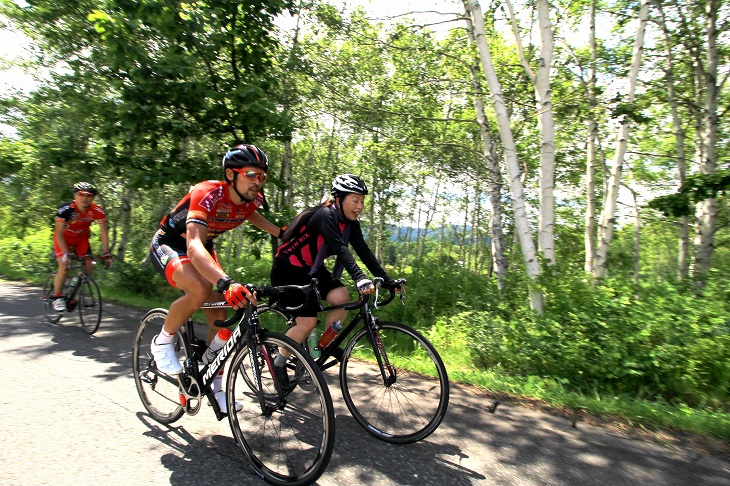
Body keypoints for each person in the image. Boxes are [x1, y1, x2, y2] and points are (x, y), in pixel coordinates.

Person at [148, 144, 283, 413]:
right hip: (173, 243)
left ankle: (214, 382)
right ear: (232, 175)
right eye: (251, 174)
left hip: (203, 248)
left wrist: (281, 232)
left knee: (223, 318)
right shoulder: (207, 192)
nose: (258, 181)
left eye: (262, 176)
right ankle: (162, 340)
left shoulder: (252, 199)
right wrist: (225, 282)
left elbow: (250, 214)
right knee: (199, 289)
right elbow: (194, 245)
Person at [270, 174, 401, 386]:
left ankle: (324, 345)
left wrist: (387, 281)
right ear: (339, 200)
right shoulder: (325, 215)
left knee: (342, 297)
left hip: (311, 269)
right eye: (355, 200)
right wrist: (359, 277)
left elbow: (364, 252)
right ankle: (279, 363)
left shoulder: (351, 224)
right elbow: (340, 248)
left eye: (362, 201)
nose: (360, 206)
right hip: (288, 268)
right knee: (307, 322)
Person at [52, 182, 111, 312]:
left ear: (93, 198)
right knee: (64, 266)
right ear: (75, 195)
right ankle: (57, 297)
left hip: (81, 240)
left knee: (88, 268)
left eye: (89, 195)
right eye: (81, 194)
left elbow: (103, 232)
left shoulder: (97, 211)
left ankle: (72, 287)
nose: (84, 198)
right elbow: (59, 233)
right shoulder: (65, 210)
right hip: (64, 239)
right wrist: (66, 253)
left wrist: (106, 252)